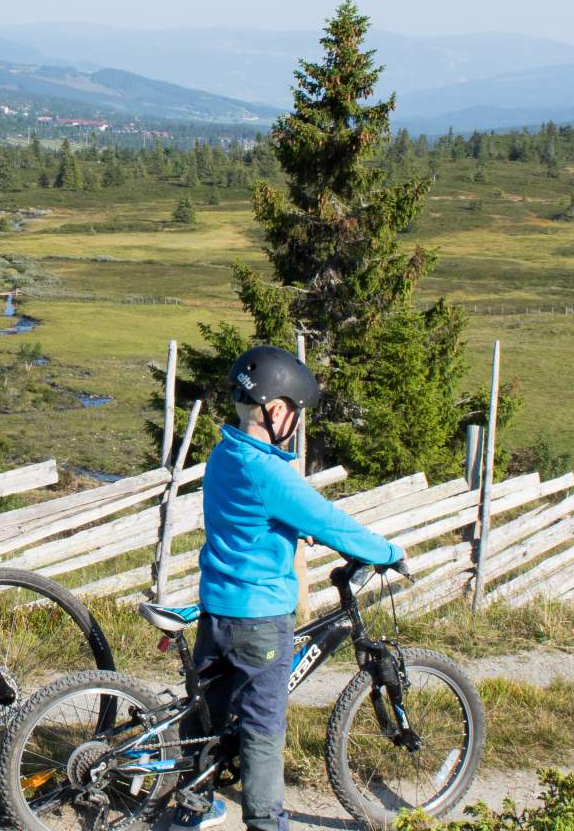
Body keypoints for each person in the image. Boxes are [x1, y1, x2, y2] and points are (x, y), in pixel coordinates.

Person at [182, 345, 405, 831]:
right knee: (264, 726)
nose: (297, 423)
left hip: (216, 606)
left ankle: (192, 807)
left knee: (207, 716)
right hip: (259, 617)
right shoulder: (269, 472)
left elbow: (248, 521)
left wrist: (282, 529)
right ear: (276, 409)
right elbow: (328, 520)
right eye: (296, 413)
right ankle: (266, 822)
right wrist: (388, 553)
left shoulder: (225, 455)